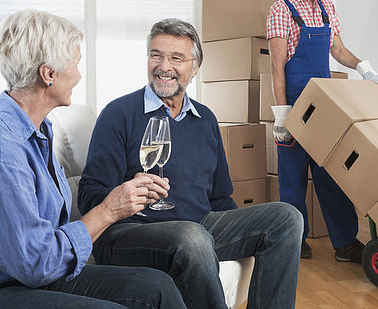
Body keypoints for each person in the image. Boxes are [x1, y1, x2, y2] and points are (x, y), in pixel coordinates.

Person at [0, 9, 186, 309]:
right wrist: (109, 210)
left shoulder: (39, 129)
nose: (78, 74)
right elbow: (35, 263)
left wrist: (122, 202)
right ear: (48, 74)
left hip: (27, 277)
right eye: (75, 64)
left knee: (156, 287)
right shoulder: (1, 154)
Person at [78, 18, 303, 309]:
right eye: (156, 55)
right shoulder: (118, 113)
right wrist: (125, 194)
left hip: (199, 225)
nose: (164, 66)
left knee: (287, 217)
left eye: (176, 58)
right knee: (192, 236)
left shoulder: (206, 119)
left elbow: (220, 198)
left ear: (194, 67)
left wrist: (241, 235)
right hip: (129, 232)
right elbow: (88, 196)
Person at [266, 0, 378, 262]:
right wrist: (281, 113)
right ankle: (294, 238)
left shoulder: (326, 7)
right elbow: (277, 65)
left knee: (329, 173)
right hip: (293, 106)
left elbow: (338, 50)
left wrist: (365, 68)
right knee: (292, 178)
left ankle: (345, 242)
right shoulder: (280, 10)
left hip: (324, 108)